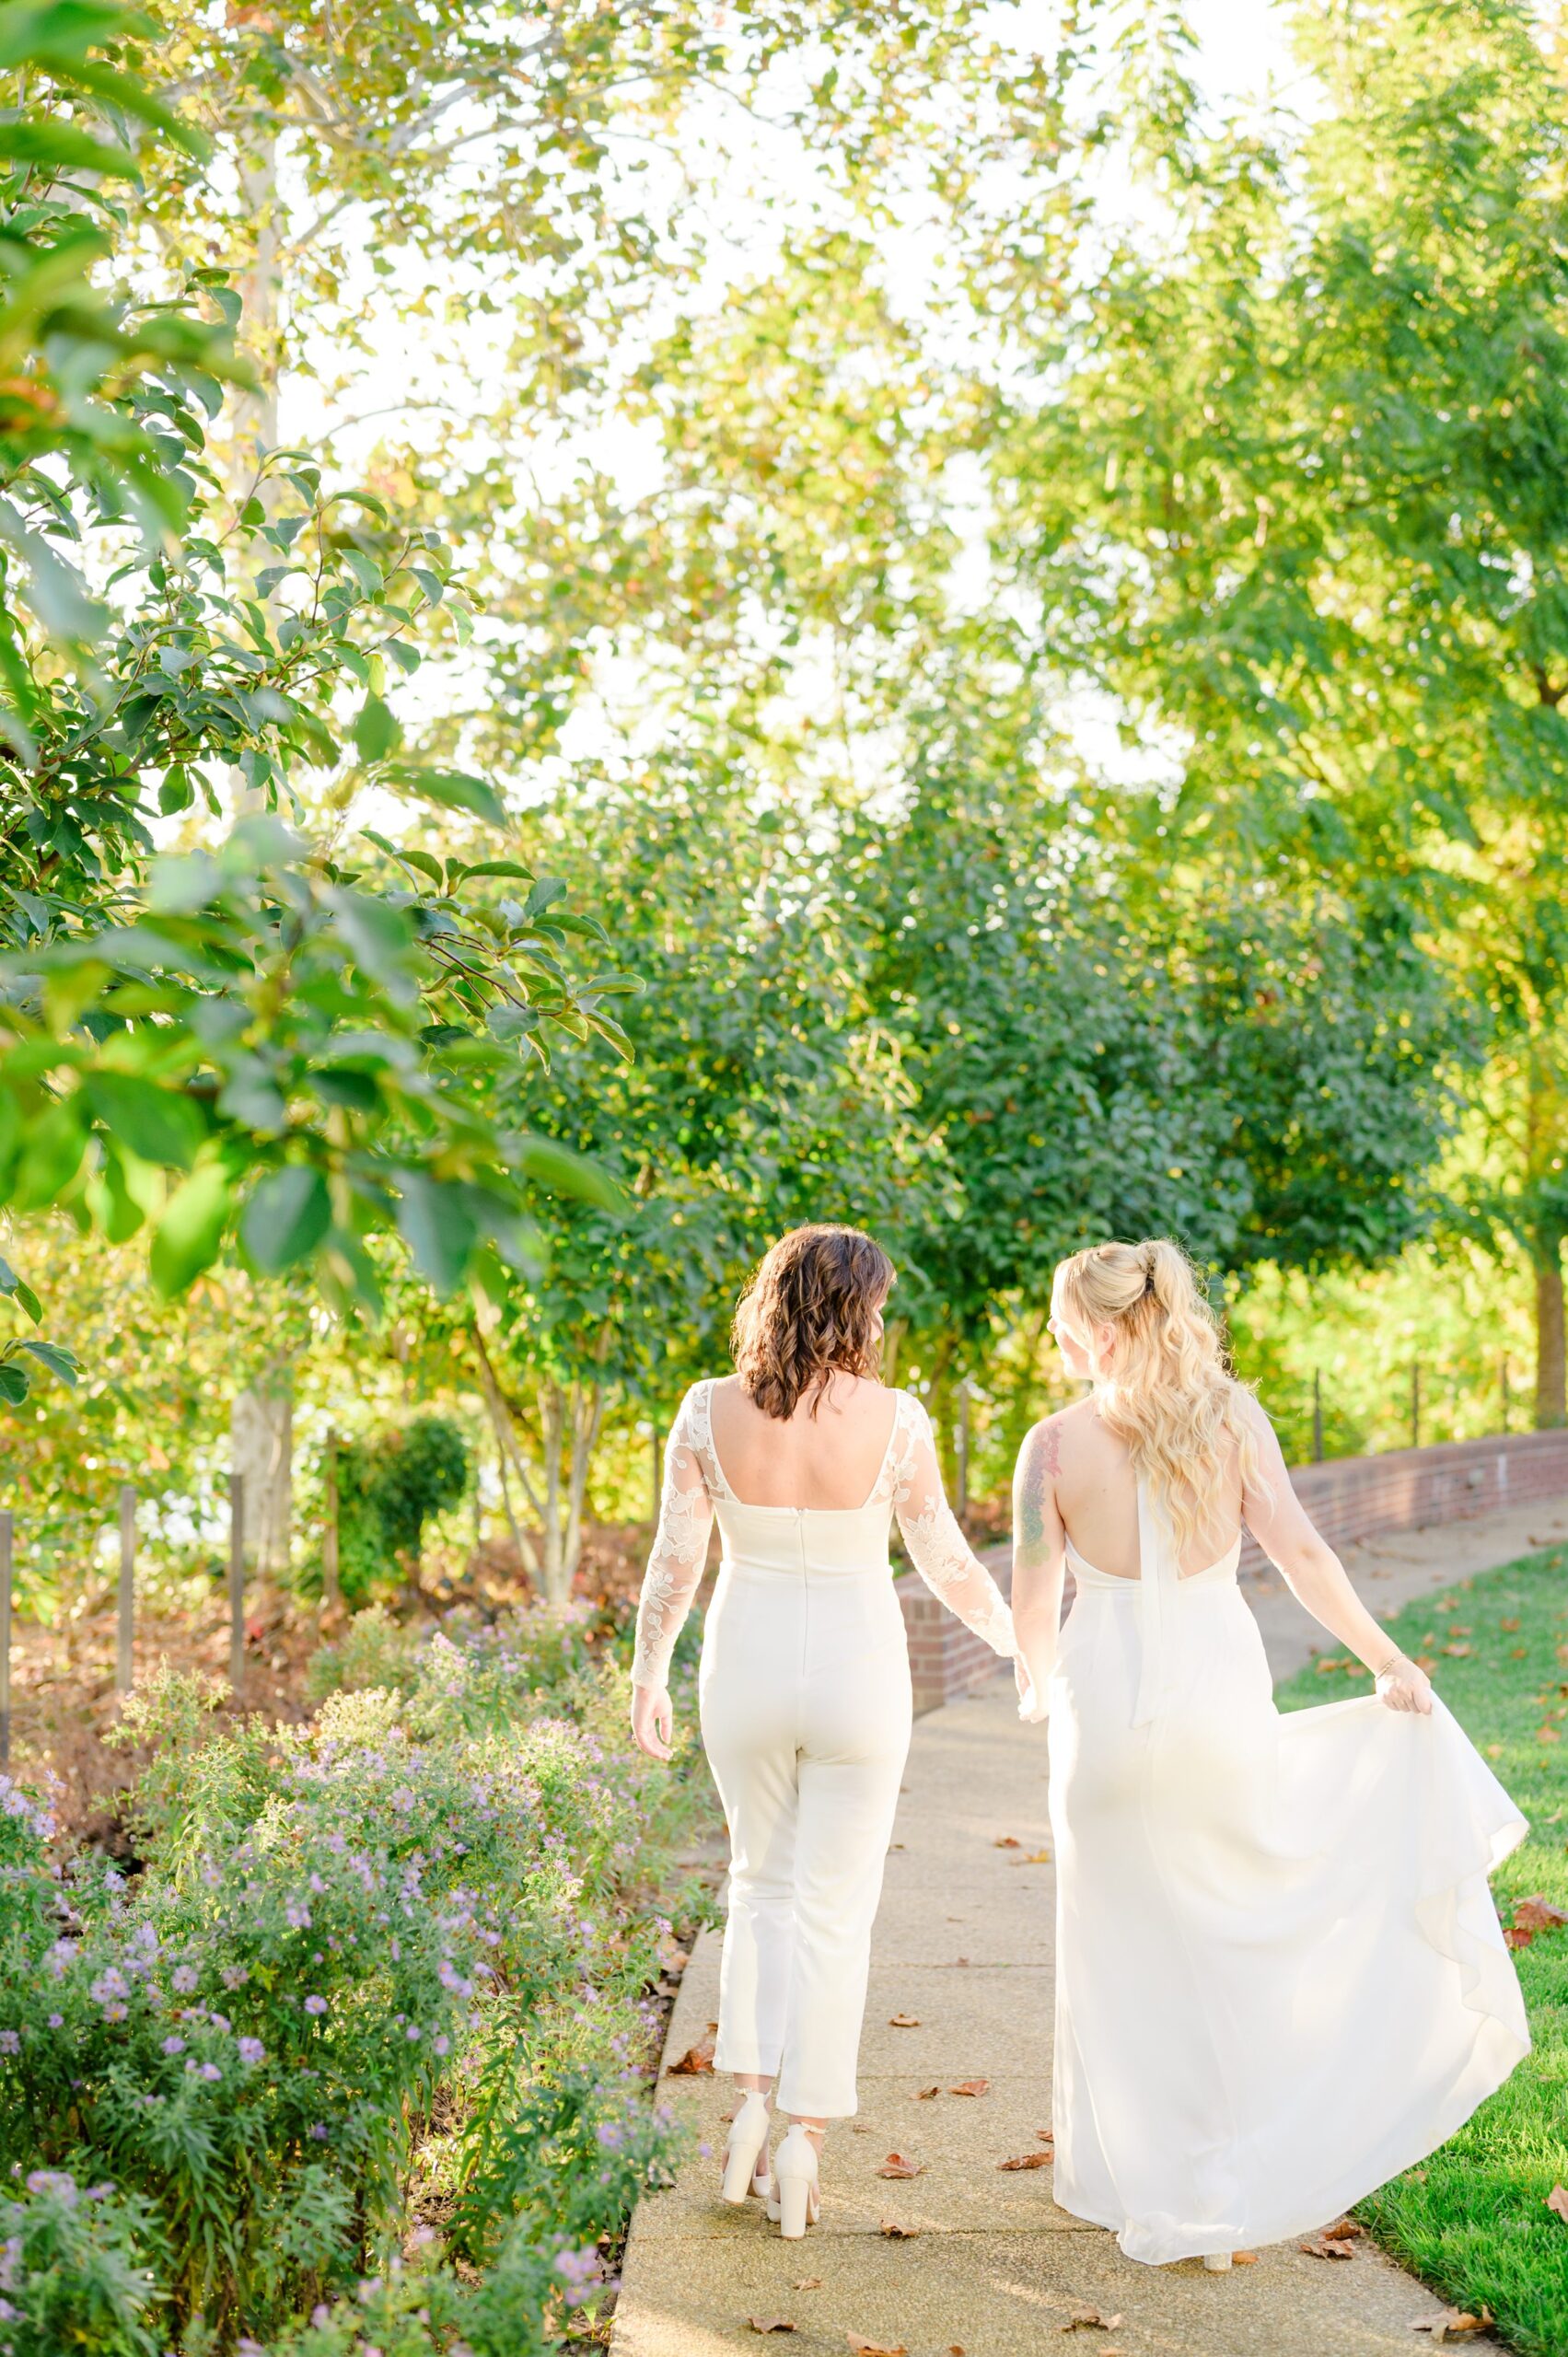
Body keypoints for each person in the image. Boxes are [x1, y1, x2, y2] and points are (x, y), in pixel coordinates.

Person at [1009, 1237, 1529, 2270]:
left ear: (1102, 1325)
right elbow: (1300, 1553)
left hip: (1105, 1709)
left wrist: (1036, 1685)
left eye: (1064, 1319)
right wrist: (1386, 1660)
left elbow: (1032, 1599)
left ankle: (1129, 2176)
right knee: (1219, 1925)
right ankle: (1218, 2185)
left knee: (1118, 1944)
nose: (1056, 1336)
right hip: (1213, 1692)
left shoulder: (1052, 1446)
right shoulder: (1231, 1421)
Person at [630, 1224, 1016, 2237]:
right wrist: (1019, 1637)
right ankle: (802, 2138)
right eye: (878, 1303)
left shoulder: (703, 1411)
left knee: (758, 1882)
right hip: (857, 1674)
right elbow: (943, 1561)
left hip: (744, 1666)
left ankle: (748, 2110)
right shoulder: (896, 1421)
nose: (883, 1320)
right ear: (854, 1307)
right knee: (835, 1908)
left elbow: (675, 1562)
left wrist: (646, 1675)